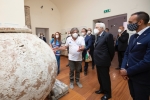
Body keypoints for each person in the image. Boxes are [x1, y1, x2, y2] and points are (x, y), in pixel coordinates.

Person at [120, 12, 150, 100]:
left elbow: (147, 61)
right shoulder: (133, 36)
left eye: (130, 22)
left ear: (140, 22)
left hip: (142, 78)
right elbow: (127, 53)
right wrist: (123, 68)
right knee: (134, 96)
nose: (128, 25)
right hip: (131, 76)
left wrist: (128, 71)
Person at [94, 23, 115, 100]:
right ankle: (102, 89)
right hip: (98, 60)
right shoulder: (97, 36)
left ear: (102, 28)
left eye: (97, 27)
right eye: (95, 27)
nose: (95, 28)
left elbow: (111, 50)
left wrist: (108, 60)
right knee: (100, 76)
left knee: (105, 78)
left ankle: (108, 94)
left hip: (104, 61)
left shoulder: (108, 35)